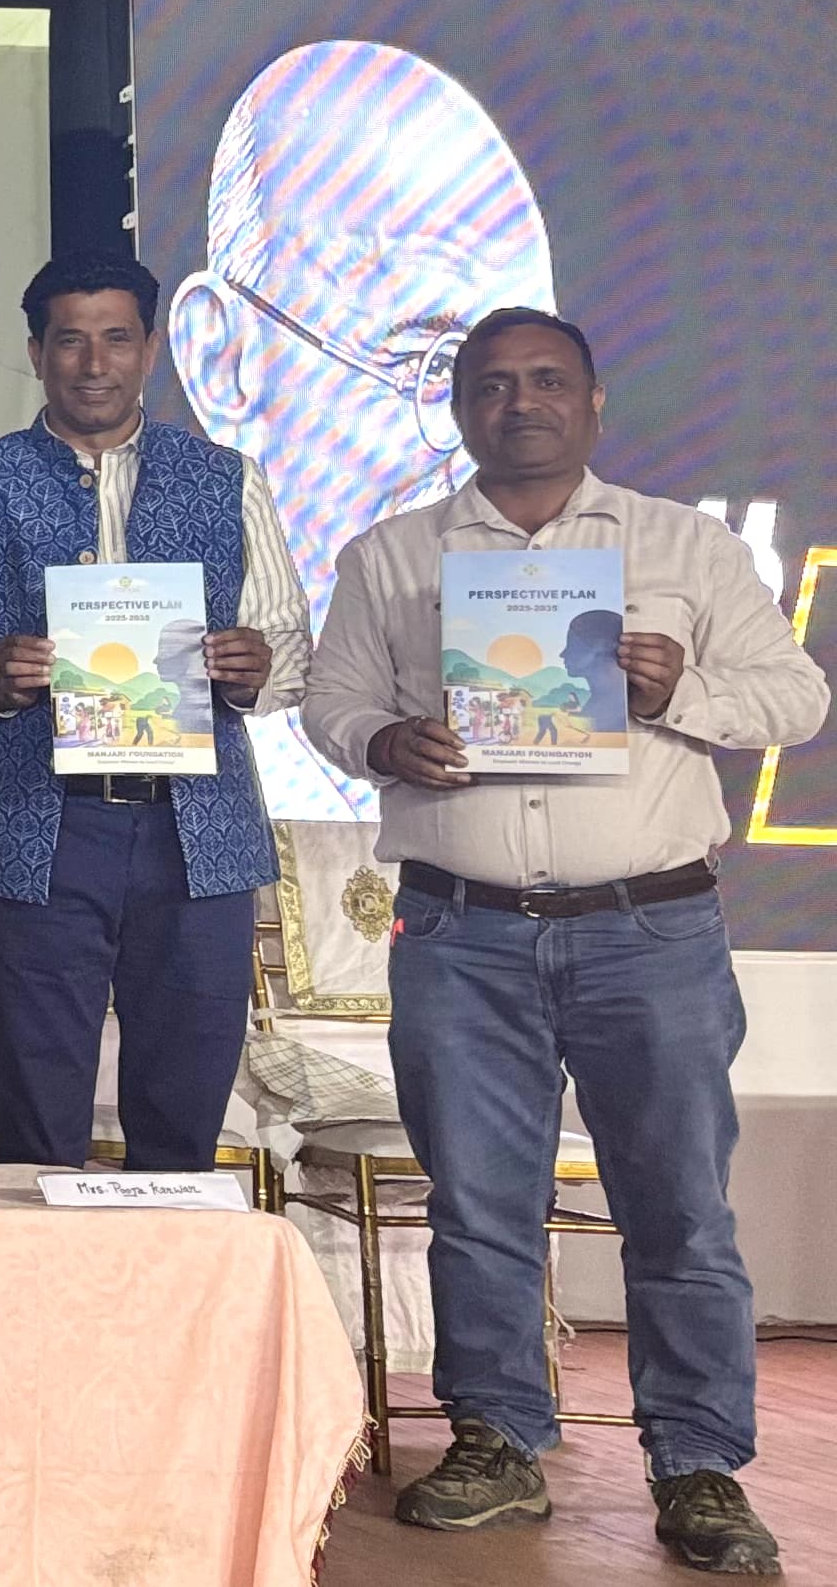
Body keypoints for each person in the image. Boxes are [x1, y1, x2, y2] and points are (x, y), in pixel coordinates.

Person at [309, 307, 822, 1573]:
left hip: (651, 927)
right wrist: (385, 740)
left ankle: (699, 1465)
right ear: (459, 410)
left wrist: (675, 689)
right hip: (461, 927)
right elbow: (334, 701)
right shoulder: (392, 554)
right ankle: (495, 1442)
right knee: (480, 1204)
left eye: (547, 381)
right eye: (491, 385)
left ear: (594, 403)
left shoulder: (685, 546)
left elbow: (797, 697)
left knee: (680, 1208)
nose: (520, 402)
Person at [0, 254, 309, 1170]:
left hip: (197, 835)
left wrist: (253, 670)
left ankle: (167, 1270)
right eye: (71, 341)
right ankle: (45, 1271)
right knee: (36, 1123)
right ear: (36, 353)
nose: (95, 363)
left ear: (152, 349)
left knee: (185, 1119)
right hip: (36, 826)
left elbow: (290, 646)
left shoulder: (228, 479)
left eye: (117, 338)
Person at [168, 41, 555, 821]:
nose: (489, 441)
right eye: (430, 368)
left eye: (530, 382)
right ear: (224, 361)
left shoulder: (544, 651)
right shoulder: (151, 641)